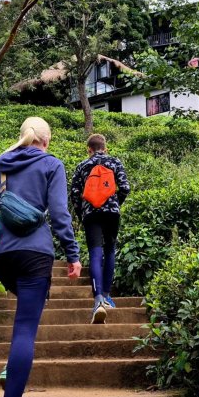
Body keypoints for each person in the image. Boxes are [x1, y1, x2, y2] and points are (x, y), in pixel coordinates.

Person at [0, 116, 81, 397]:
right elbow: (59, 213)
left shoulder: (1, 163)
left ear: (23, 136)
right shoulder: (52, 164)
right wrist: (73, 254)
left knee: (23, 312)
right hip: (34, 253)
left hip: (1, 253)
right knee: (25, 329)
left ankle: (14, 366)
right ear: (46, 140)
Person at [71, 133, 131, 323]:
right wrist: (114, 204)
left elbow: (74, 193)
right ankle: (106, 295)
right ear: (105, 148)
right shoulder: (114, 162)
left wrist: (82, 213)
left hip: (91, 214)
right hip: (112, 213)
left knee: (95, 253)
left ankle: (97, 300)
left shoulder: (82, 165)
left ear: (89, 149)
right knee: (110, 250)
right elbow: (125, 187)